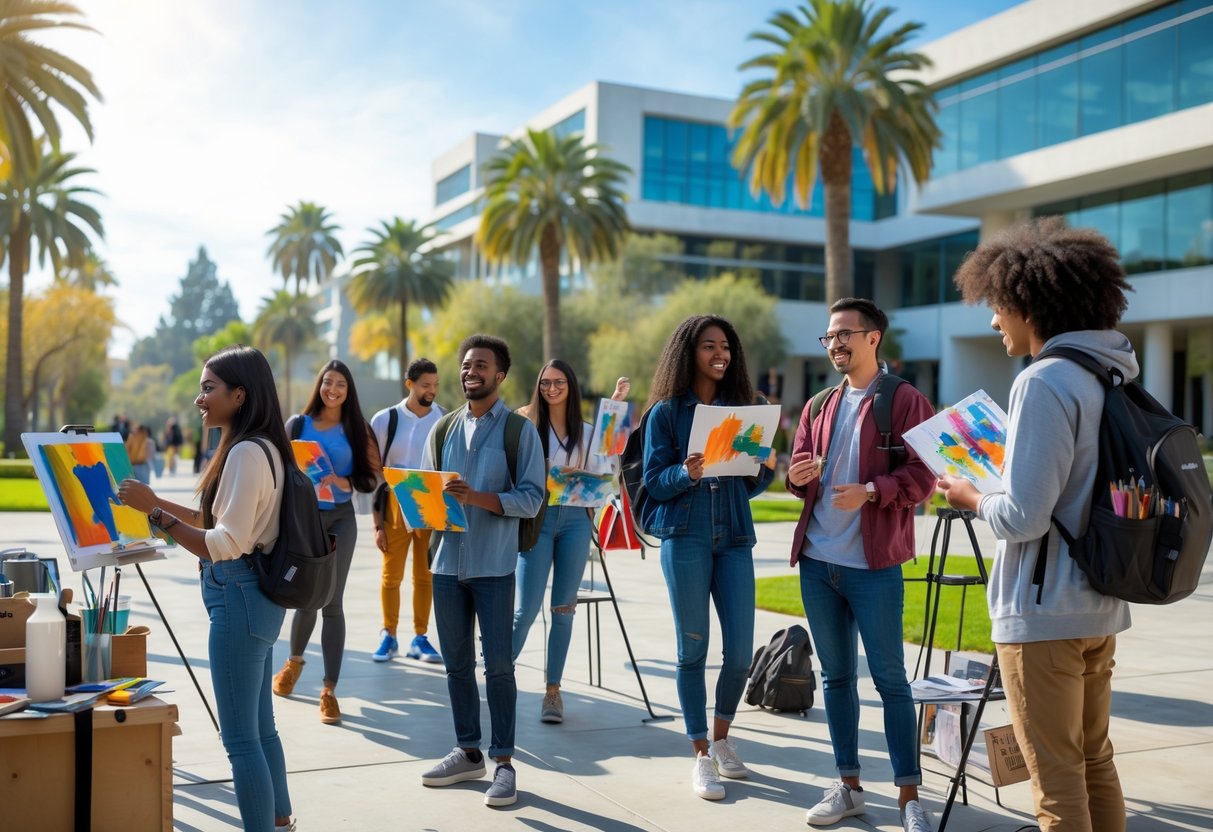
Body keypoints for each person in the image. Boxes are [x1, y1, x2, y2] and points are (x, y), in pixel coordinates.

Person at [937, 218, 1133, 832]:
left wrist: (970, 495)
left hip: (1045, 615)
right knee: (1093, 759)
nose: (994, 320)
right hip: (1100, 601)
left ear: (1028, 302)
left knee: (1054, 781)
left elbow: (1023, 517)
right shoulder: (1112, 371)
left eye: (997, 306)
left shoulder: (1044, 381)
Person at [117, 345, 295, 832]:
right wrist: (159, 506)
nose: (200, 399)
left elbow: (221, 542)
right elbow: (218, 520)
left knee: (240, 740)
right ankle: (279, 820)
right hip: (254, 597)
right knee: (261, 729)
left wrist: (155, 513)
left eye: (208, 388)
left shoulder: (244, 453)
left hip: (238, 597)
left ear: (239, 395)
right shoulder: (263, 446)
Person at [786, 297, 935, 831]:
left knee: (891, 680)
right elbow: (797, 469)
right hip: (817, 562)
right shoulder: (818, 404)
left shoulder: (905, 401)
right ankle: (848, 786)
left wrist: (873, 490)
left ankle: (909, 798)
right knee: (836, 678)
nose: (835, 344)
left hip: (873, 566)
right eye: (829, 337)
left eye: (845, 334)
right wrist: (796, 476)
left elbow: (925, 476)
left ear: (874, 338)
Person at [642, 314, 775, 801]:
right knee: (691, 649)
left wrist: (764, 468)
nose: (720, 353)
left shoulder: (745, 409)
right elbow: (654, 482)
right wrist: (686, 472)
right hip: (686, 534)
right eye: (708, 345)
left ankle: (722, 738)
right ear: (688, 352)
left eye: (726, 346)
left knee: (740, 652)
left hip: (735, 536)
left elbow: (751, 485)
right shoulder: (666, 413)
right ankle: (700, 752)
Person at [419, 334, 544, 809]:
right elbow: (429, 494)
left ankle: (505, 763)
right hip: (446, 564)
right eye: (466, 364)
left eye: (481, 365)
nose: (471, 371)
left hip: (493, 565)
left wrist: (478, 498)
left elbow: (532, 497)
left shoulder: (518, 431)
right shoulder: (443, 430)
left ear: (500, 375)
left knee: (498, 668)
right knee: (455, 666)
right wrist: (418, 500)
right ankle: (468, 751)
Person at [511, 362, 629, 724]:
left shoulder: (590, 432)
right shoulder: (527, 426)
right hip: (539, 521)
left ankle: (553, 692)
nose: (551, 388)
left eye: (558, 382)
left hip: (577, 524)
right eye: (544, 382)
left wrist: (616, 407)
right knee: (526, 610)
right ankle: (496, 675)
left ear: (571, 385)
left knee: (563, 609)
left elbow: (610, 468)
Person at [272, 359, 379, 725]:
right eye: (328, 383)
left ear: (349, 392)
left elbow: (370, 479)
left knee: (333, 601)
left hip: (340, 519)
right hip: (304, 520)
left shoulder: (357, 429)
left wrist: (339, 482)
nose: (333, 390)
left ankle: (329, 690)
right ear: (319, 385)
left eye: (341, 385)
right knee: (306, 597)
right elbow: (276, 469)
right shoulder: (297, 425)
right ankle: (293, 663)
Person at [369, 357, 446, 664]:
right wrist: (377, 525)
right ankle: (388, 635)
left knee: (425, 576)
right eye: (426, 385)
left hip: (429, 507)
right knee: (391, 577)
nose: (432, 391)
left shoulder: (443, 419)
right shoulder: (385, 420)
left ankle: (420, 637)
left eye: (436, 385)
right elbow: (375, 477)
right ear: (410, 384)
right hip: (393, 507)